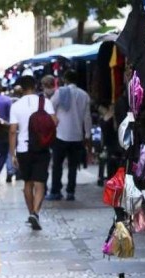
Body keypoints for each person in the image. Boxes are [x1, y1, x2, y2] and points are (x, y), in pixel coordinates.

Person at [10, 75, 57, 231]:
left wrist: (13, 154)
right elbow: (55, 121)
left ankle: (31, 213)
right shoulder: (45, 102)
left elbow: (12, 131)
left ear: (21, 88)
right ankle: (36, 213)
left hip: (23, 148)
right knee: (40, 183)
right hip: (41, 147)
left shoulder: (16, 106)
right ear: (35, 86)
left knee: (28, 183)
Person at [47, 70, 92, 201]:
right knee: (73, 166)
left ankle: (55, 191)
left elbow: (50, 108)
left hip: (60, 134)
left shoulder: (60, 92)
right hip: (77, 136)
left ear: (65, 79)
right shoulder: (84, 95)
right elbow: (87, 117)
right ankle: (70, 191)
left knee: (57, 165)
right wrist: (87, 135)